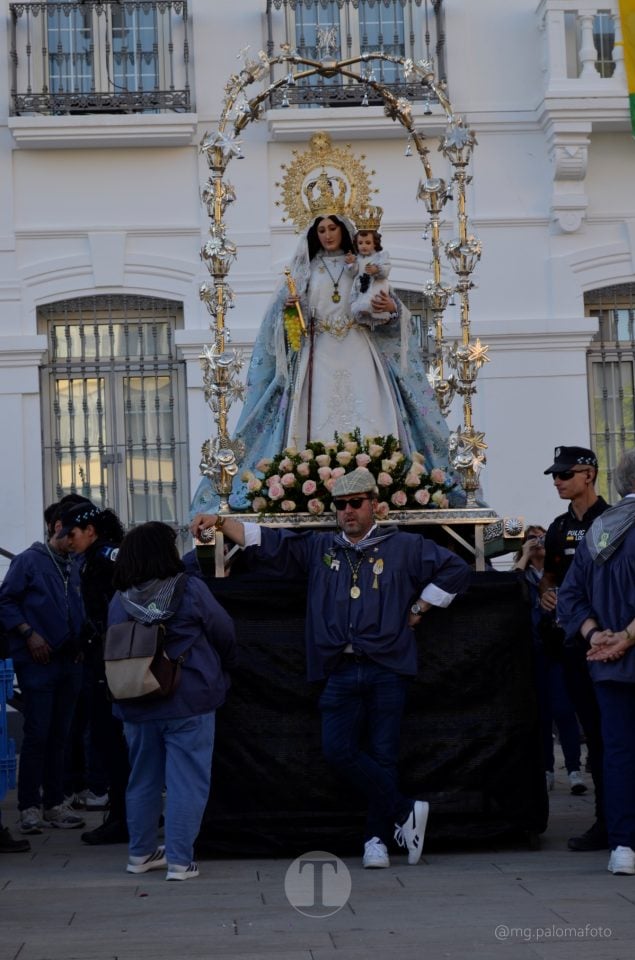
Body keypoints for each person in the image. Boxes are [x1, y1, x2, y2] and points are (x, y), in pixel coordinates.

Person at [191, 467, 471, 869]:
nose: (348, 512)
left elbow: (457, 570)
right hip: (340, 667)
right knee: (337, 750)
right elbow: (265, 541)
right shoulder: (320, 548)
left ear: (375, 504)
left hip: (388, 664)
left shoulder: (405, 545)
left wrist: (420, 606)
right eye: (341, 506)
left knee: (384, 753)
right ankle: (404, 809)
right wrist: (219, 521)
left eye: (356, 504)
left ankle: (375, 840)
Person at [190, 211, 456, 513]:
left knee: (369, 408)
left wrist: (392, 309)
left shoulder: (364, 267)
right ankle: (310, 475)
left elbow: (391, 322)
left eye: (333, 228)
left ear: (344, 231)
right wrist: (290, 311)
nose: (328, 235)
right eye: (321, 230)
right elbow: (289, 333)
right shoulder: (304, 272)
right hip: (317, 357)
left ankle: (383, 474)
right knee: (315, 416)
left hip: (361, 353)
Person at [106, 522, 237, 881]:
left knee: (143, 779)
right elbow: (223, 629)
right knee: (186, 781)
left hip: (137, 699)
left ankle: (140, 853)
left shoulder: (120, 598)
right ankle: (180, 860)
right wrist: (225, 664)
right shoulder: (189, 588)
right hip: (188, 698)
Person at [558, 448, 635, 875]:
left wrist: (596, 635)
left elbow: (569, 597)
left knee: (619, 753)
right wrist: (624, 637)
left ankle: (623, 846)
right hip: (616, 652)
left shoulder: (596, 532)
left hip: (604, 663)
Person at [0, 502, 86, 834]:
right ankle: (29, 806)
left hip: (70, 661)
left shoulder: (75, 563)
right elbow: (5, 600)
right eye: (76, 534)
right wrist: (28, 633)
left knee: (61, 735)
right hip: (38, 662)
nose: (78, 541)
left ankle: (54, 802)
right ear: (58, 527)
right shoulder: (29, 561)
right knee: (37, 732)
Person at [539, 445, 609, 852]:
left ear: (589, 474)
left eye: (565, 474)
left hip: (614, 638)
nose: (557, 481)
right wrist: (547, 594)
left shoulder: (615, 518)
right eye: (555, 475)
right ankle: (606, 819)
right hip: (572, 643)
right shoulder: (558, 527)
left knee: (615, 734)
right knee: (595, 736)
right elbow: (549, 576)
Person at [54, 500, 129, 845]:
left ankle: (123, 816)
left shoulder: (105, 556)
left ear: (90, 531)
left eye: (71, 533)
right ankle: (126, 810)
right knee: (108, 737)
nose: (67, 539)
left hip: (110, 658)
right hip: (103, 655)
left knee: (110, 738)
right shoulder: (90, 559)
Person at [514, 525, 586, 794]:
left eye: (541, 536)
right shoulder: (525, 575)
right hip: (533, 651)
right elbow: (510, 591)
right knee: (541, 712)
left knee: (564, 709)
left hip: (559, 648)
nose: (538, 541)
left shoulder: (558, 571)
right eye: (532, 537)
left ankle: (574, 769)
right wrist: (523, 556)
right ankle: (546, 769)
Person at [345, 228, 392, 325]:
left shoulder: (380, 257)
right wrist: (351, 263)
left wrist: (377, 269)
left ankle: (378, 314)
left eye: (367, 242)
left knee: (374, 301)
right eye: (360, 243)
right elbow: (353, 272)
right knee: (360, 304)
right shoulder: (357, 259)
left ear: (375, 243)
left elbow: (386, 268)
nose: (364, 246)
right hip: (361, 285)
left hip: (376, 283)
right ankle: (363, 315)